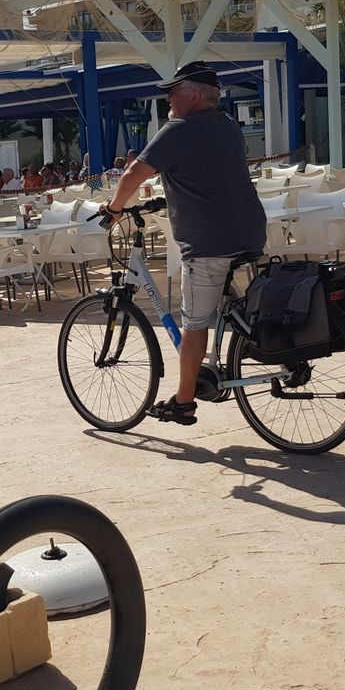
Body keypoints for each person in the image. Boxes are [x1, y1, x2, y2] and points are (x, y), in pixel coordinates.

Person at [100, 61, 264, 426]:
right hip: (250, 232)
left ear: (193, 96)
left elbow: (134, 173)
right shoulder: (229, 126)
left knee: (195, 323)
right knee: (228, 298)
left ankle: (184, 402)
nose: (169, 100)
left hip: (209, 243)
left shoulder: (178, 130)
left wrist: (114, 208)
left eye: (173, 92)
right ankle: (241, 345)